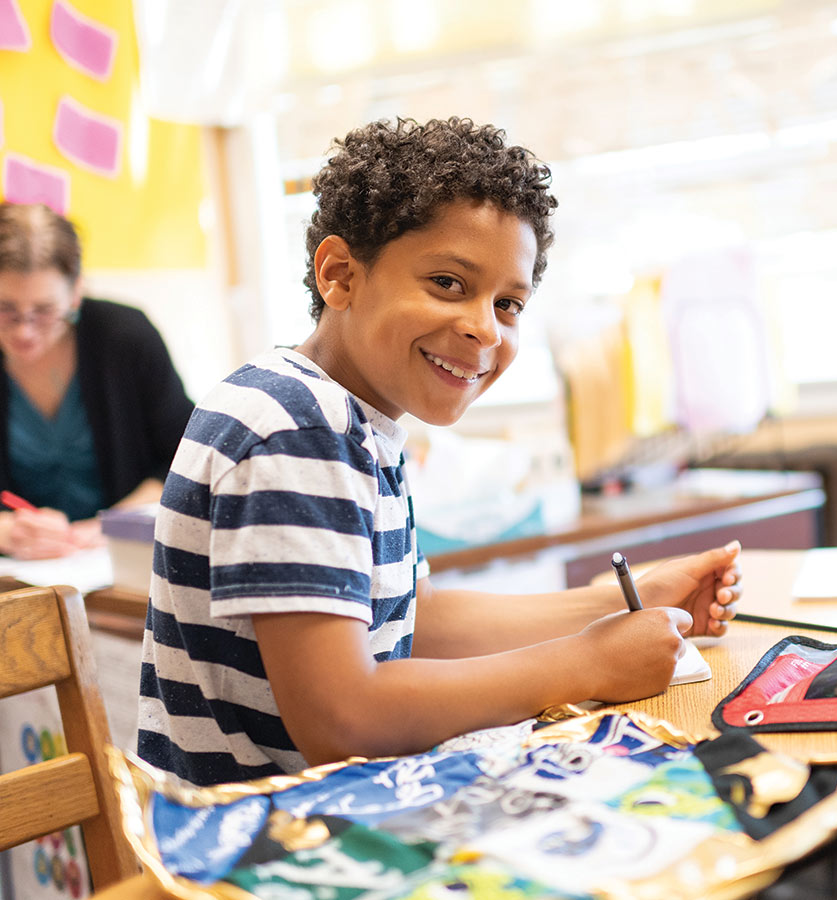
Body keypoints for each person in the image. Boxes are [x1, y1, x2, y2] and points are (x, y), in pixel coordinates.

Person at [138, 117, 742, 787]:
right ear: (339, 276)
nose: (484, 328)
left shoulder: (349, 418)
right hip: (248, 849)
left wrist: (617, 604)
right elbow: (344, 722)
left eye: (508, 303)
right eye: (449, 283)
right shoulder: (297, 429)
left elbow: (413, 624)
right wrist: (589, 663)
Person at [0, 202, 194, 559]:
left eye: (44, 312)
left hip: (122, 562)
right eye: (6, 310)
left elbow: (187, 458)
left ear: (76, 292)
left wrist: (114, 524)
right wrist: (7, 531)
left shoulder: (125, 337)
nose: (24, 332)